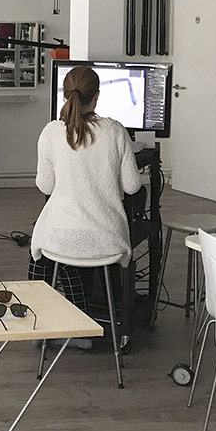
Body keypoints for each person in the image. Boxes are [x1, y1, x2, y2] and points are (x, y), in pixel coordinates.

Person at [29, 66, 142, 349]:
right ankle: (82, 328)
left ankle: (44, 323)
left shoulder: (51, 132)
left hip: (60, 241)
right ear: (97, 96)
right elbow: (132, 187)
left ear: (64, 95)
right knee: (73, 247)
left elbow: (45, 186)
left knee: (43, 248)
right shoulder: (115, 131)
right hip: (107, 242)